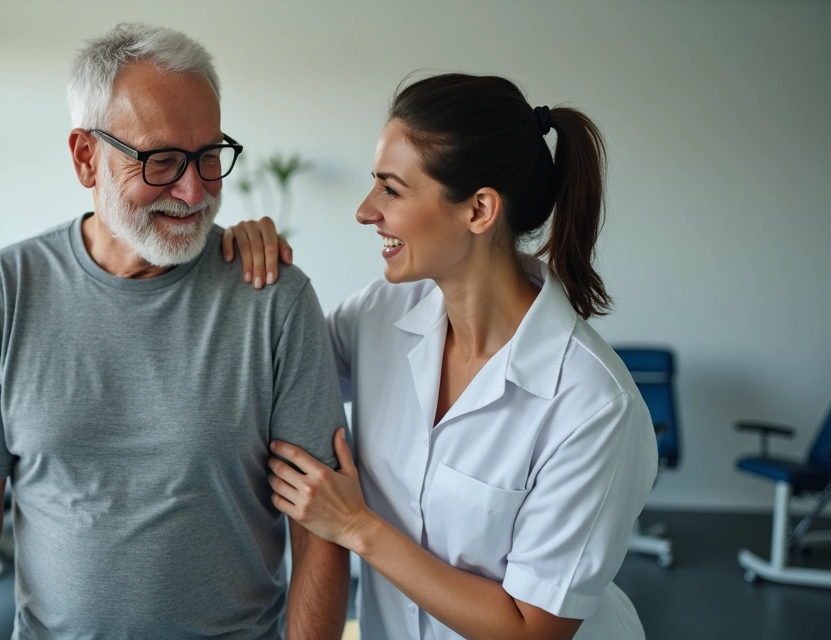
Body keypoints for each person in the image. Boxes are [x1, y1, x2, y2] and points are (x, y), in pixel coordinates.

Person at [0, 23, 350, 640]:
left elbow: (319, 530)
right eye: (162, 159)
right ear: (85, 156)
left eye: (209, 156)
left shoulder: (274, 297)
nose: (194, 190)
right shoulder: (4, 291)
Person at [224, 73, 658, 640]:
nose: (364, 210)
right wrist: (239, 258)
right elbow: (276, 376)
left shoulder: (594, 406)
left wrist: (358, 526)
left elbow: (531, 629)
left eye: (391, 190)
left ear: (479, 209)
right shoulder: (382, 313)